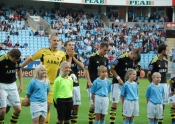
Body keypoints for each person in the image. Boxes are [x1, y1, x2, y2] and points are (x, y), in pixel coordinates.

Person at [20, 34, 66, 123]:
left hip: (51, 84)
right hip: (40, 81)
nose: (56, 42)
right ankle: (14, 100)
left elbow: (64, 66)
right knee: (27, 102)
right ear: (50, 41)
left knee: (47, 107)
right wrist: (21, 67)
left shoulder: (62, 54)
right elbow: (31, 58)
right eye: (54, 40)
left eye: (57, 41)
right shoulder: (43, 52)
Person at [109, 48, 140, 124]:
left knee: (126, 103)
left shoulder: (134, 61)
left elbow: (135, 72)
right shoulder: (121, 58)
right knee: (115, 103)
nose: (134, 59)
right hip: (117, 83)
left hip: (127, 85)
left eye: (136, 58)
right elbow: (112, 69)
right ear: (132, 53)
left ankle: (125, 121)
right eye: (134, 57)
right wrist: (118, 78)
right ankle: (112, 122)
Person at [84, 42, 109, 124]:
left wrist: (107, 80)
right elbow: (86, 69)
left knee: (100, 109)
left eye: (107, 50)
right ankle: (91, 121)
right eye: (105, 50)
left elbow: (106, 72)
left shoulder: (106, 59)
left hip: (102, 86)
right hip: (93, 85)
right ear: (100, 48)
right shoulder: (92, 57)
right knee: (93, 105)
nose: (106, 52)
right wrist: (89, 81)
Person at [147, 44, 168, 124]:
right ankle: (153, 120)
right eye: (167, 50)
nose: (167, 51)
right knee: (155, 103)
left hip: (164, 84)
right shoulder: (154, 61)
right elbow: (149, 74)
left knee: (163, 104)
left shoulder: (166, 61)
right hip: (156, 85)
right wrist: (153, 84)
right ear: (163, 50)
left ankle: (160, 121)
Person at [0, 49, 23, 124]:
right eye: (14, 60)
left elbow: (19, 70)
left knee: (18, 110)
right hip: (1, 85)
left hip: (13, 85)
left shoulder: (18, 59)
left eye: (17, 60)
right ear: (10, 56)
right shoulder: (2, 60)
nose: (15, 62)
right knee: (2, 111)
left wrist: (21, 84)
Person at [64, 41, 84, 124]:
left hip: (75, 84)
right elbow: (67, 67)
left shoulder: (76, 55)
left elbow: (82, 66)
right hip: (65, 84)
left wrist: (74, 57)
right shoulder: (62, 56)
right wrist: (70, 57)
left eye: (73, 45)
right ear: (65, 47)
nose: (72, 46)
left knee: (76, 106)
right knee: (66, 106)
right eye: (69, 45)